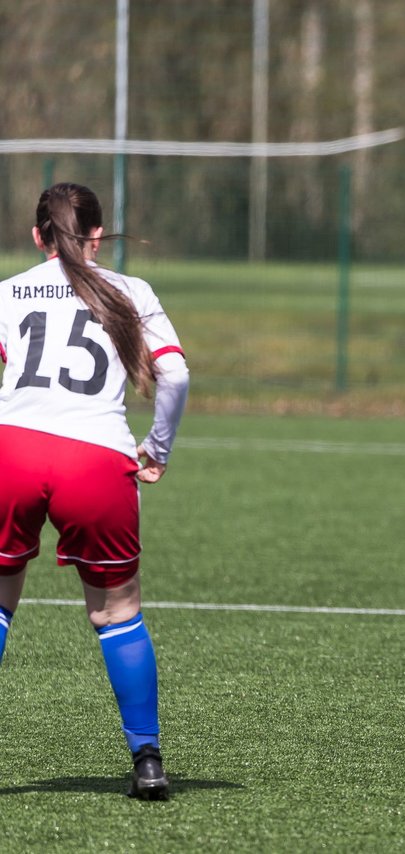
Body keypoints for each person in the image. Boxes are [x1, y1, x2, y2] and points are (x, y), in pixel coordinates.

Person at [0, 183, 190, 797]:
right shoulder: (130, 291)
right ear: (98, 237)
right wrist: (157, 450)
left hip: (13, 452)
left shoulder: (8, 291)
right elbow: (175, 373)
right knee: (116, 613)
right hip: (97, 459)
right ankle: (148, 760)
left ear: (38, 237)